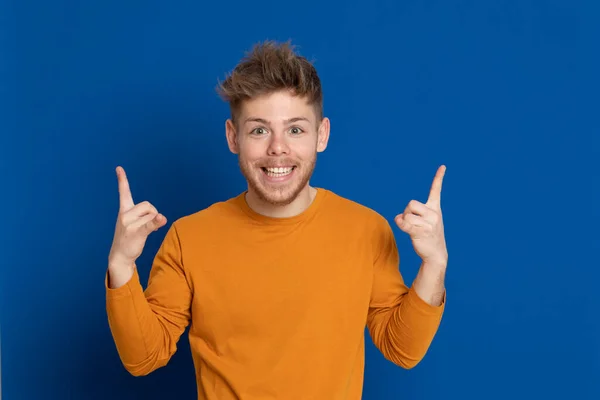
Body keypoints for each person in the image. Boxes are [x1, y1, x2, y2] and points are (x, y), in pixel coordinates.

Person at [105, 40, 448, 400]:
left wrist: (434, 265)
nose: (278, 148)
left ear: (323, 134)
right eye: (259, 130)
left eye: (295, 129)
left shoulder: (366, 230)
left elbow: (401, 348)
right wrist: (122, 263)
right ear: (232, 136)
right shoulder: (188, 237)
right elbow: (143, 357)